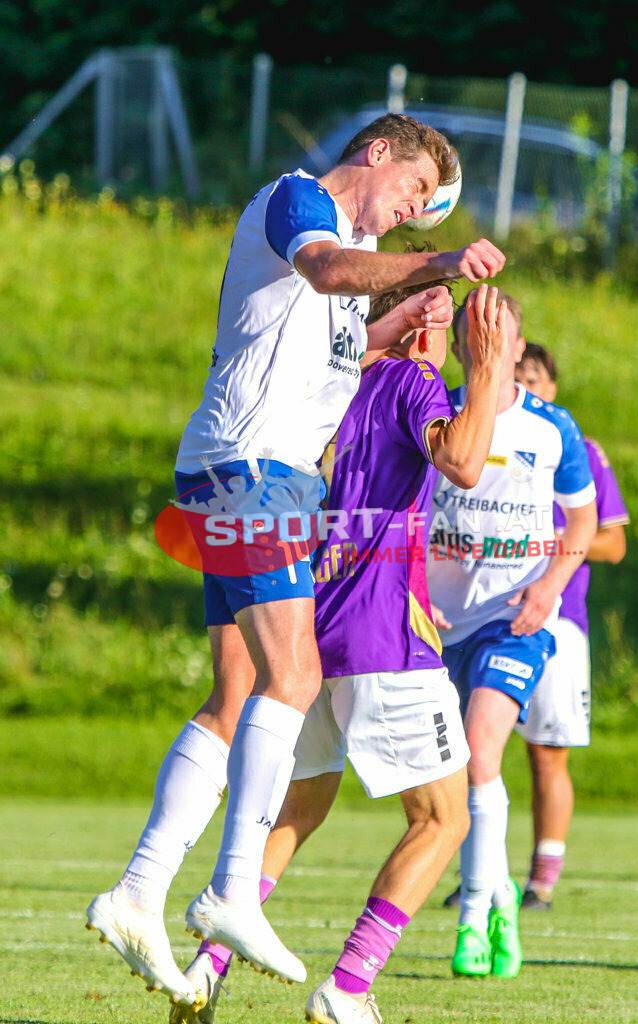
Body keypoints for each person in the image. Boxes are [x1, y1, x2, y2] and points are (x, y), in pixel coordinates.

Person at [85, 112, 506, 1012]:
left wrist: (405, 316)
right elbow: (325, 273)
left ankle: (138, 889)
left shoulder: (356, 253)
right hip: (254, 470)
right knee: (295, 676)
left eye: (427, 214)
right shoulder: (299, 202)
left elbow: (341, 352)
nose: (412, 216)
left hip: (242, 473)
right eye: (414, 194)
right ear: (379, 152)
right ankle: (233, 892)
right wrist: (436, 267)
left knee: (239, 690)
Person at [168, 280, 511, 1024]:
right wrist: (484, 373)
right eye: (448, 321)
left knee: (301, 806)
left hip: (314, 624)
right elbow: (461, 460)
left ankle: (208, 964)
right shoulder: (414, 378)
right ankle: (350, 986)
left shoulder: (337, 383)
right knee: (444, 819)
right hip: (385, 630)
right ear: (425, 325)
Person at [426, 292, 597, 979]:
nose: (490, 342)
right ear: (464, 345)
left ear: (520, 349)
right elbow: (399, 508)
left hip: (515, 619)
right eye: (477, 330)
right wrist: (411, 588)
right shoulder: (431, 412)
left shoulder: (553, 428)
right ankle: (500, 896)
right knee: (452, 780)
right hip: (440, 627)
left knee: (480, 754)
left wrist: (548, 588)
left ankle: (470, 917)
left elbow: (581, 523)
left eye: (502, 331)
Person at [513, 342, 630, 910]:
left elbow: (612, 541)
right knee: (466, 753)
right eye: (516, 377)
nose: (525, 388)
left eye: (534, 379)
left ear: (552, 389)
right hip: (481, 612)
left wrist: (560, 546)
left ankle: (542, 879)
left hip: (560, 620)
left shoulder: (577, 447)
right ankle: (476, 872)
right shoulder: (478, 438)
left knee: (546, 751)